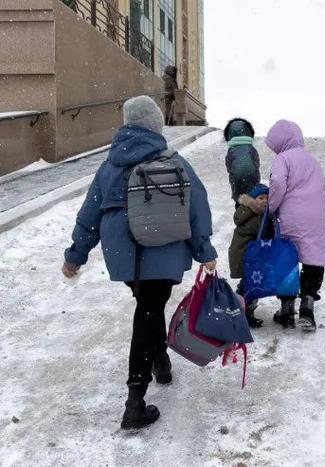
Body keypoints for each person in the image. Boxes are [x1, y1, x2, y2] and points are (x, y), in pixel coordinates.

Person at [61, 96, 217, 430]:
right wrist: (205, 252)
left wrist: (76, 253)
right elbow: (197, 207)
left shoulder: (111, 164)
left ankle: (160, 361)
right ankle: (135, 401)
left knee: (148, 305)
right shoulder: (174, 160)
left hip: (123, 253)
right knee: (147, 310)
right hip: (164, 247)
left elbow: (90, 212)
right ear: (156, 125)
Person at [265, 119, 325, 332]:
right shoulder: (313, 161)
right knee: (313, 261)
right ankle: (307, 306)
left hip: (290, 217)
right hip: (315, 218)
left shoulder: (282, 159)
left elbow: (277, 183)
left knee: (287, 260)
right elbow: (323, 189)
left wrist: (271, 207)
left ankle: (286, 309)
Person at [228, 184, 274, 328]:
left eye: (267, 198)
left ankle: (241, 309)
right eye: (260, 198)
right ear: (252, 200)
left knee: (249, 284)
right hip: (245, 257)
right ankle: (242, 312)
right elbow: (264, 232)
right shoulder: (252, 217)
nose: (264, 201)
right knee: (250, 286)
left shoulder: (253, 213)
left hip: (248, 256)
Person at [223, 117, 260, 204]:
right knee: (254, 207)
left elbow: (229, 166)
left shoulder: (231, 150)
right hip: (254, 186)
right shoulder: (251, 149)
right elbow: (257, 164)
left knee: (241, 207)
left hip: (237, 186)